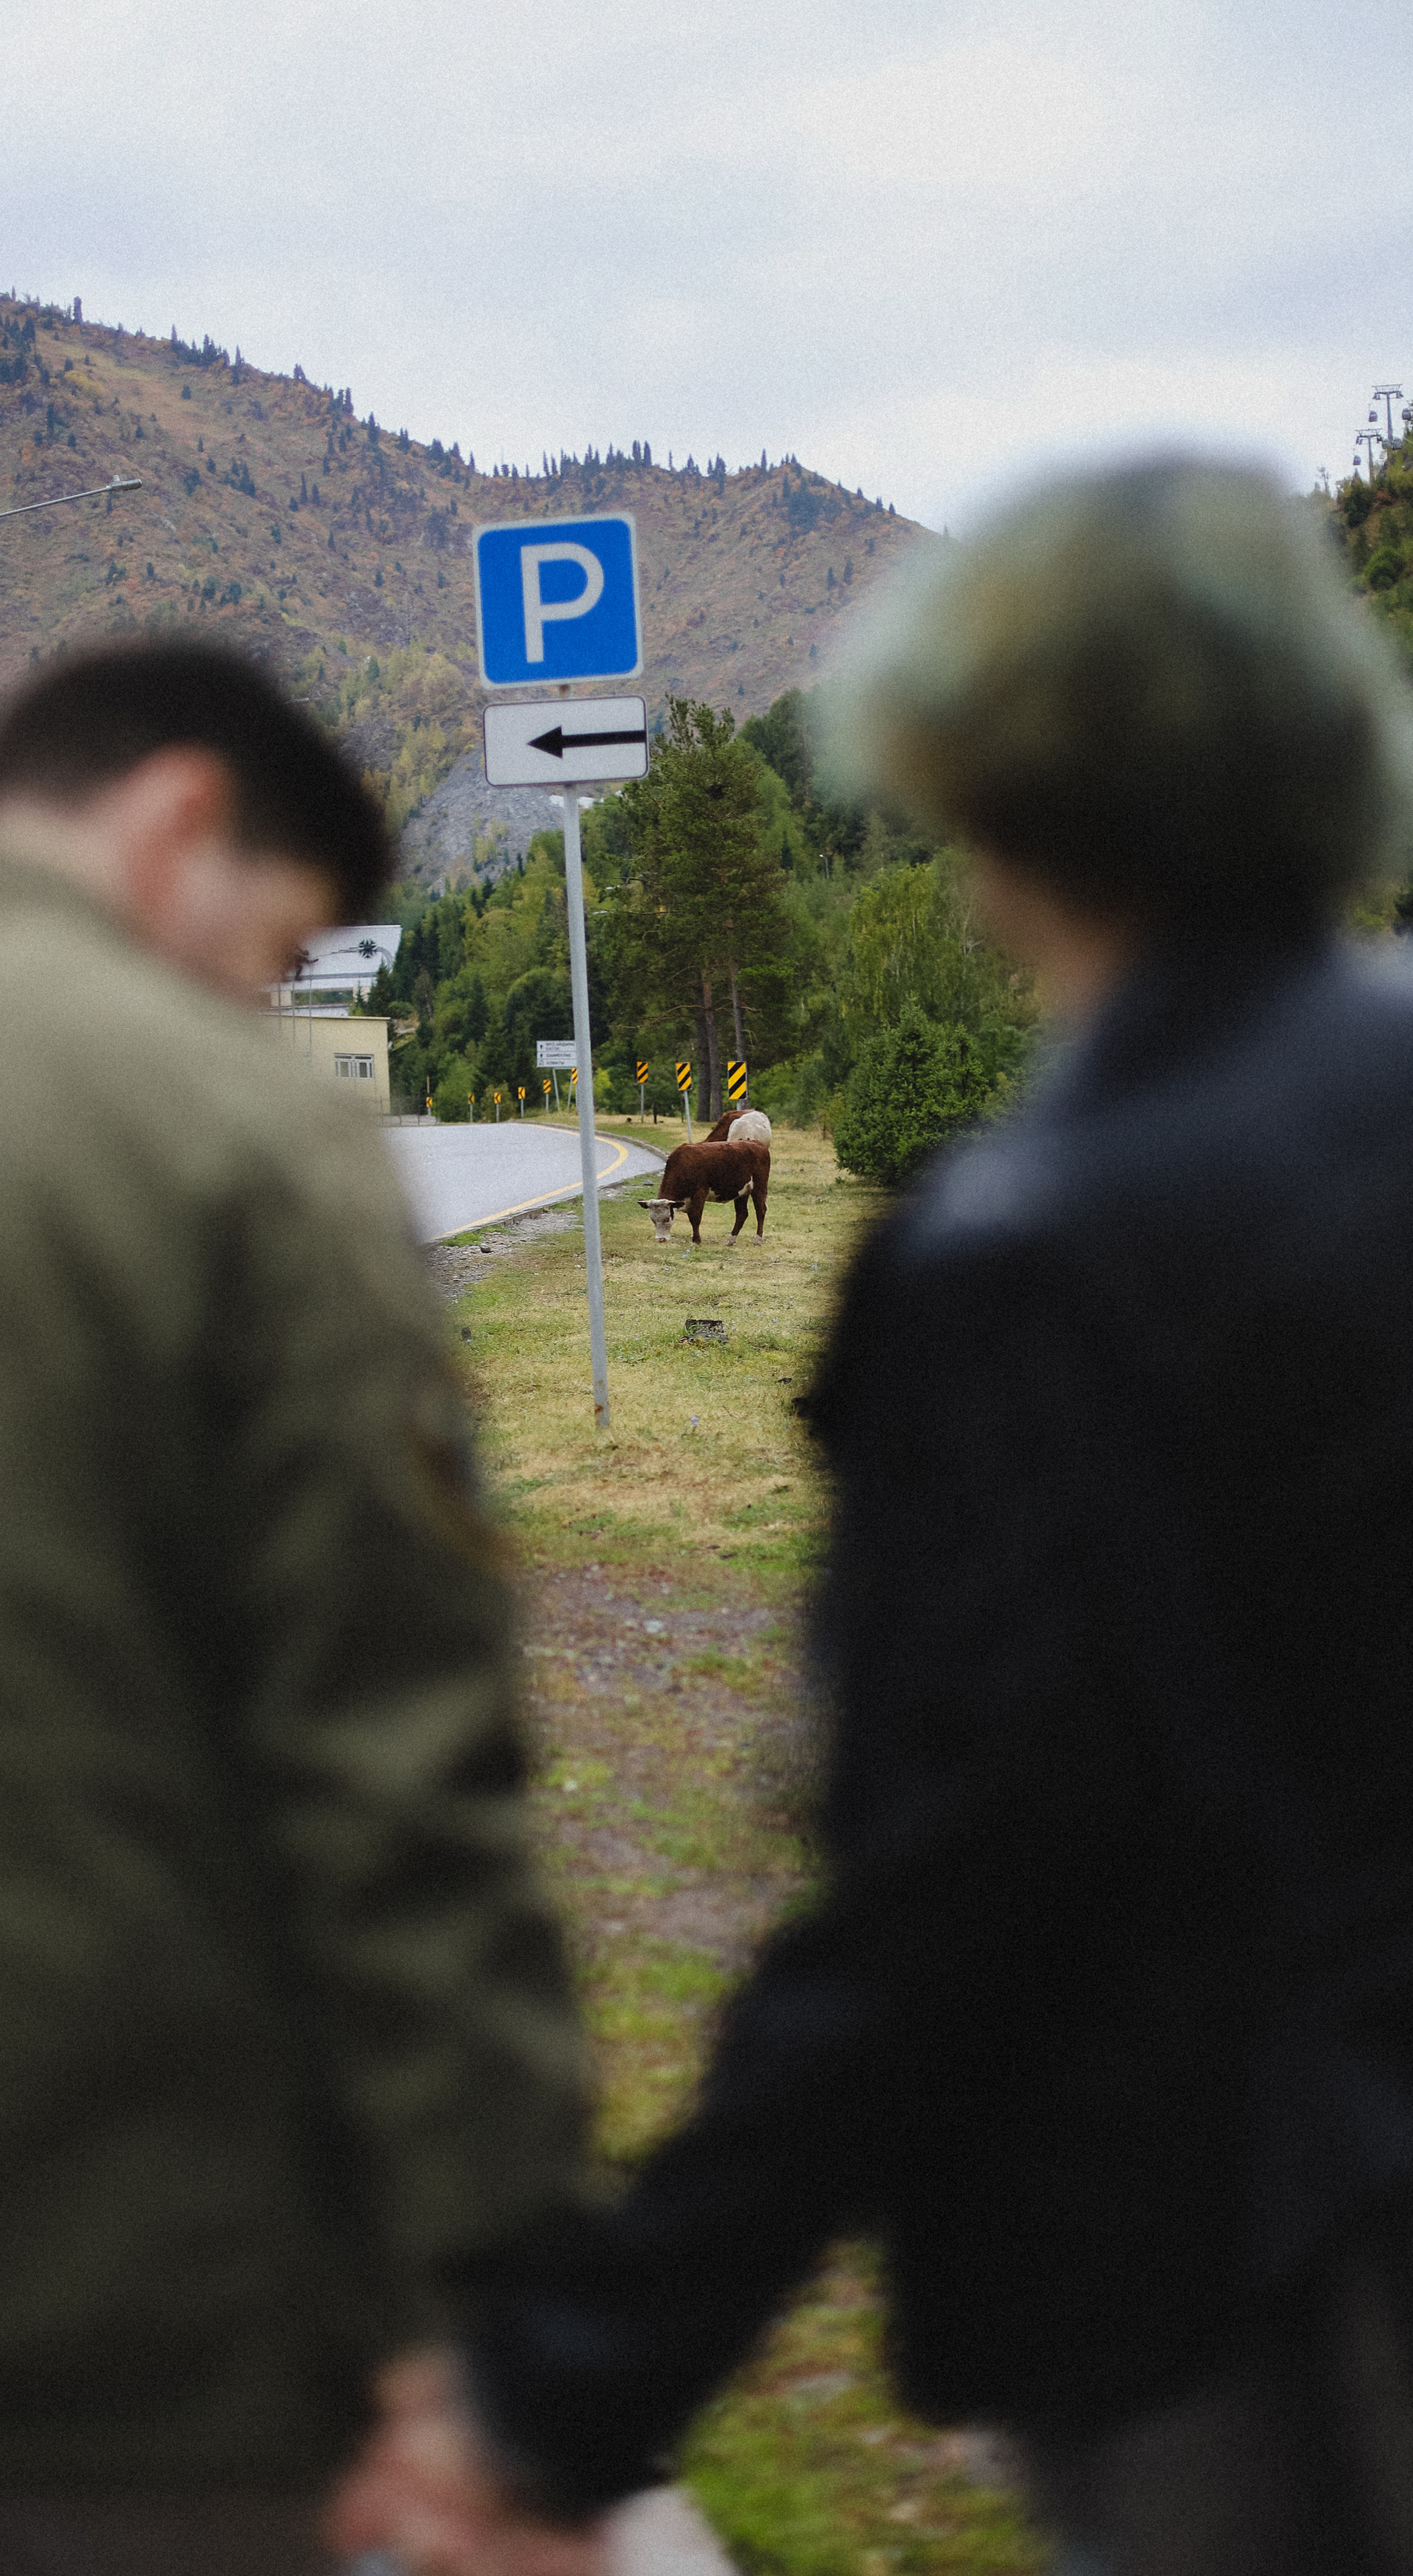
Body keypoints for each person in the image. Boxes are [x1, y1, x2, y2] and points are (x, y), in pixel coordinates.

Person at [333, 459, 1413, 2576]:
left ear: (987, 795)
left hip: (1238, 2286)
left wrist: (569, 2393)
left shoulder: (1034, 1255)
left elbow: (943, 1890)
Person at [0, 637, 588, 2573]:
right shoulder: (245, 1142)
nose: (259, 1005)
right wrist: (515, 2350)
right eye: (272, 957)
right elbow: (402, 1801)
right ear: (182, 821)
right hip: (137, 2355)